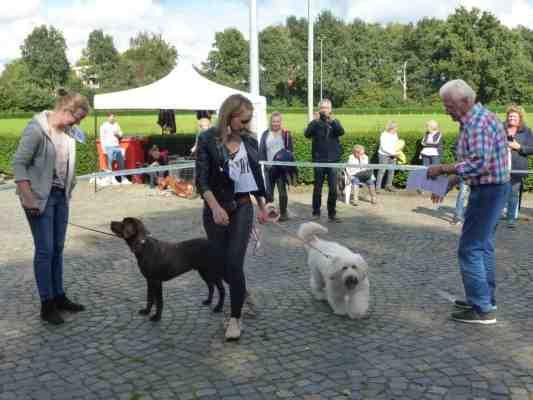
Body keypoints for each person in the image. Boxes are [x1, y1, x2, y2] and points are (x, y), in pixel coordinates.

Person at [427, 79, 510, 325]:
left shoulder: (477, 123)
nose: (446, 110)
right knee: (483, 247)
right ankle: (484, 299)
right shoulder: (478, 119)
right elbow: (477, 163)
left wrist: (442, 168)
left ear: (465, 101)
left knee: (470, 248)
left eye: (449, 105)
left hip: (488, 192)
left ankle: (482, 308)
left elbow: (478, 163)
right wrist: (453, 179)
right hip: (491, 189)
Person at [12, 89, 90, 325]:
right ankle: (47, 305)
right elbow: (18, 164)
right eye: (77, 117)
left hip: (60, 197)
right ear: (65, 110)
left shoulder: (69, 132)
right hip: (38, 198)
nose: (78, 123)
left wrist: (68, 190)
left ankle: (59, 296)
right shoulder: (36, 130)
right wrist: (28, 197)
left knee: (57, 248)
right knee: (45, 250)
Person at [195, 94, 269, 341]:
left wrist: (263, 205)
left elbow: (256, 175)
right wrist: (215, 208)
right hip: (215, 207)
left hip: (242, 207)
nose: (247, 125)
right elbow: (201, 180)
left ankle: (235, 318)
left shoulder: (250, 140)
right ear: (229, 116)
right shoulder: (207, 139)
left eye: (249, 120)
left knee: (235, 264)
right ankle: (242, 291)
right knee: (219, 265)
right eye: (243, 120)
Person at [304, 99, 345, 223]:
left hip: (333, 161)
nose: (324, 110)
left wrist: (331, 121)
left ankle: (332, 214)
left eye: (327, 108)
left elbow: (341, 132)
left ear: (330, 110)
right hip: (319, 160)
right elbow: (307, 134)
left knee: (333, 189)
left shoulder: (335, 122)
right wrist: (314, 121)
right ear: (319, 109)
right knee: (318, 188)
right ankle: (316, 212)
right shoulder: (315, 123)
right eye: (322, 107)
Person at [259, 112, 294, 221]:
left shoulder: (285, 134)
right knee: (268, 193)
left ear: (281, 122)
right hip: (268, 168)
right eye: (274, 121)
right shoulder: (265, 134)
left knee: (282, 193)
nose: (275, 123)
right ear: (271, 122)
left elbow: (290, 152)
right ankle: (269, 213)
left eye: (278, 121)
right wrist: (263, 164)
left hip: (281, 169)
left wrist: (289, 168)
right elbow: (261, 150)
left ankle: (283, 214)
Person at [503, 105, 533, 229]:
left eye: (514, 116)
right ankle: (494, 217)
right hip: (500, 166)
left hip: (517, 167)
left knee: (513, 194)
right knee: (499, 192)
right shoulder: (500, 128)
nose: (511, 118)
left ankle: (511, 219)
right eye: (510, 116)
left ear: (520, 118)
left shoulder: (527, 131)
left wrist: (519, 147)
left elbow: (531, 149)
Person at [99, 112, 129, 184]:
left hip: (117, 146)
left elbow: (121, 134)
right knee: (110, 164)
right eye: (111, 117)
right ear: (108, 117)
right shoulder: (103, 126)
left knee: (121, 162)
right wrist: (104, 149)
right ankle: (112, 179)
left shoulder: (116, 124)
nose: (112, 118)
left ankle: (123, 178)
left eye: (113, 117)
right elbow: (102, 138)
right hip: (108, 147)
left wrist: (118, 134)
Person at [376, 121, 400, 192]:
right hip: (384, 155)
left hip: (393, 155)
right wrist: (393, 153)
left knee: (391, 171)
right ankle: (378, 187)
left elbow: (397, 144)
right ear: (391, 128)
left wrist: (397, 152)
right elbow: (384, 147)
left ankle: (389, 186)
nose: (397, 129)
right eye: (396, 128)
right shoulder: (384, 135)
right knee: (382, 171)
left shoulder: (395, 134)